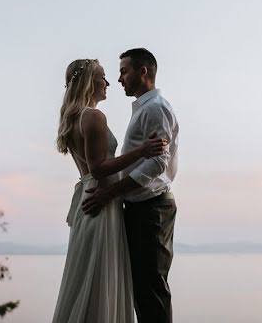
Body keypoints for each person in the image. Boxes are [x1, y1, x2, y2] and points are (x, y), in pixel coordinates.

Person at [52, 58, 168, 323]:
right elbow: (99, 168)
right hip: (101, 200)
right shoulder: (92, 116)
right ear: (88, 83)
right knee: (101, 275)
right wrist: (142, 151)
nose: (108, 83)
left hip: (90, 198)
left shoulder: (73, 118)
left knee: (87, 275)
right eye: (102, 77)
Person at [82, 48, 179, 323]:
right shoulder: (144, 109)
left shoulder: (156, 109)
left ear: (143, 71)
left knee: (151, 288)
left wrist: (110, 192)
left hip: (153, 209)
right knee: (141, 288)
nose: (120, 78)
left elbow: (157, 163)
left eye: (124, 71)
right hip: (139, 208)